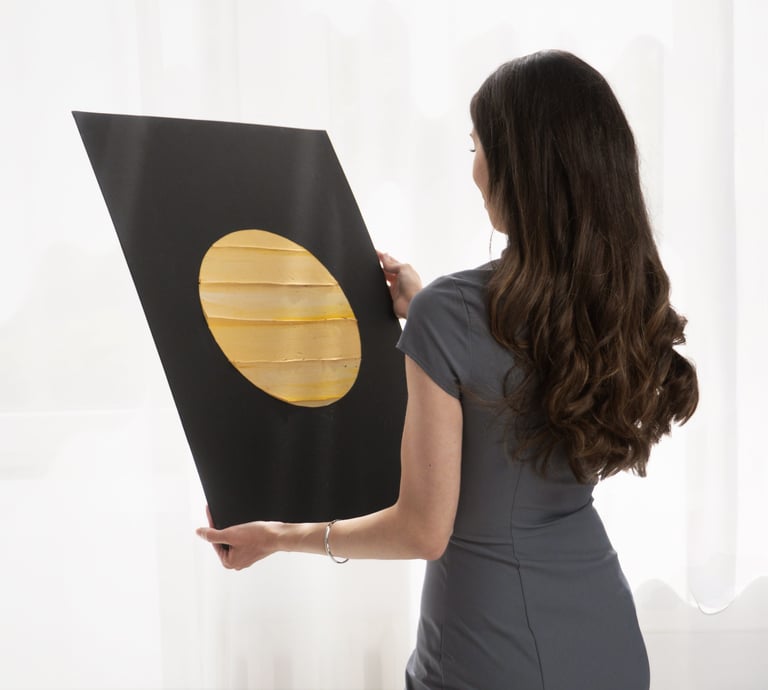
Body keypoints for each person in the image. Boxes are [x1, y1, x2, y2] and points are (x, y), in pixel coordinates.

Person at [197, 49, 699, 690]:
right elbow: (511, 378)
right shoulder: (609, 300)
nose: (474, 171)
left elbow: (423, 530)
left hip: (489, 656)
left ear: (518, 167)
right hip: (607, 643)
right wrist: (429, 308)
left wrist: (275, 535)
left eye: (475, 147)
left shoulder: (453, 312)